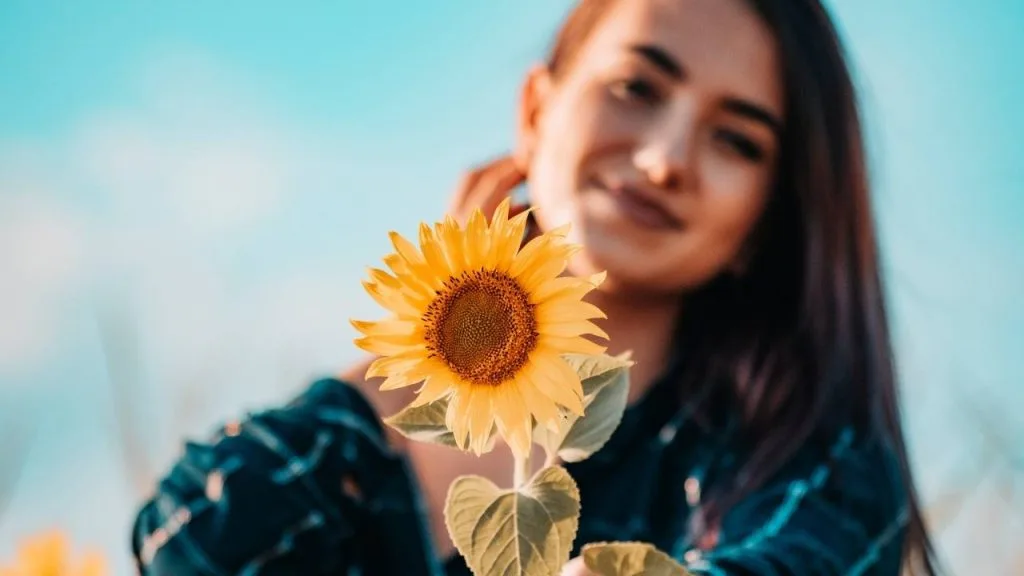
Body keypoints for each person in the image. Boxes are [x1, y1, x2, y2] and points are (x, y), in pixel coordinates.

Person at [130, 0, 944, 574]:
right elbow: (194, 541)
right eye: (637, 87)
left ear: (766, 221)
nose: (665, 157)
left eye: (735, 139)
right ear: (535, 111)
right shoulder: (357, 454)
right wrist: (443, 336)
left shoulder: (806, 463)